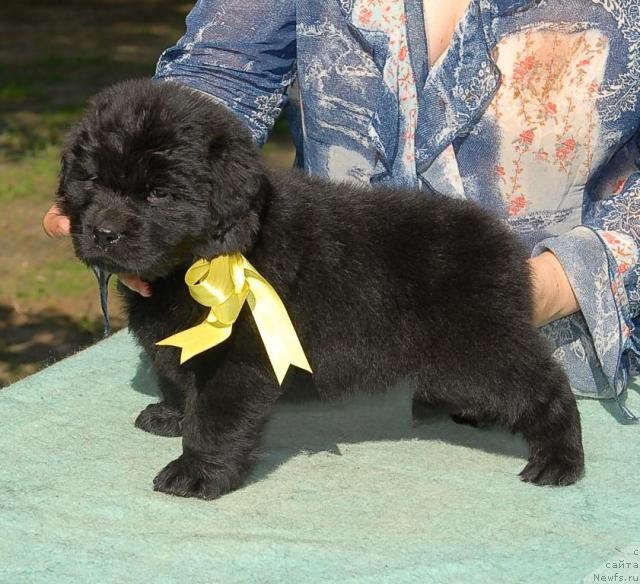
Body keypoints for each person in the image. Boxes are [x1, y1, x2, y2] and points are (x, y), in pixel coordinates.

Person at [44, 0, 640, 417]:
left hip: (576, 362)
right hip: (312, 360)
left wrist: (544, 290)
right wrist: (145, 193)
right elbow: (223, 71)